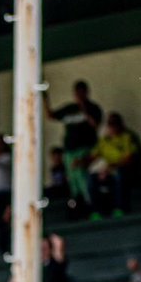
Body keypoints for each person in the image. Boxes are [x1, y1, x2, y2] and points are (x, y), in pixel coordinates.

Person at [44, 80, 103, 212]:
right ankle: (79, 206)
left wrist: (84, 110)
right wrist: (44, 97)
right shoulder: (70, 109)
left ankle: (92, 206)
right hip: (70, 150)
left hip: (86, 148)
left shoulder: (93, 108)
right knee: (73, 180)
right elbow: (51, 115)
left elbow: (96, 125)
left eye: (82, 92)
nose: (79, 95)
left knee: (83, 177)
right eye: (77, 93)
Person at [88, 112, 138, 218]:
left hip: (123, 170)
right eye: (110, 124)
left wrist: (112, 167)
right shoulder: (104, 140)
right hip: (106, 171)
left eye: (115, 124)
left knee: (119, 175)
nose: (112, 127)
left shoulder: (127, 137)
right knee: (92, 179)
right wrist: (81, 161)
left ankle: (119, 208)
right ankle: (96, 211)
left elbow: (129, 159)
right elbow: (93, 156)